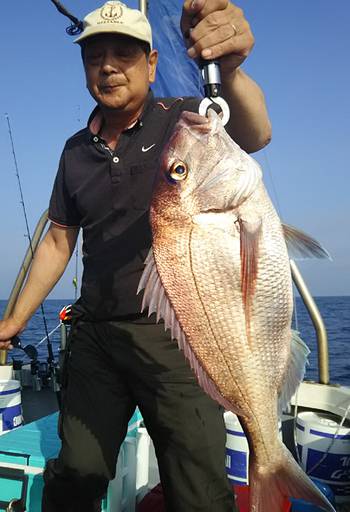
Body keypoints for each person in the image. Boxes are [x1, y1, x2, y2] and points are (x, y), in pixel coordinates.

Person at [0, 1, 271, 511]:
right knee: (77, 474)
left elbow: (254, 133)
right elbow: (60, 240)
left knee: (200, 485)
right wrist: (12, 320)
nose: (107, 66)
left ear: (150, 64)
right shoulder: (74, 150)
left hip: (175, 334)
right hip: (96, 334)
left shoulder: (186, 121)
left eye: (124, 53)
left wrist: (229, 71)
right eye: (94, 55)